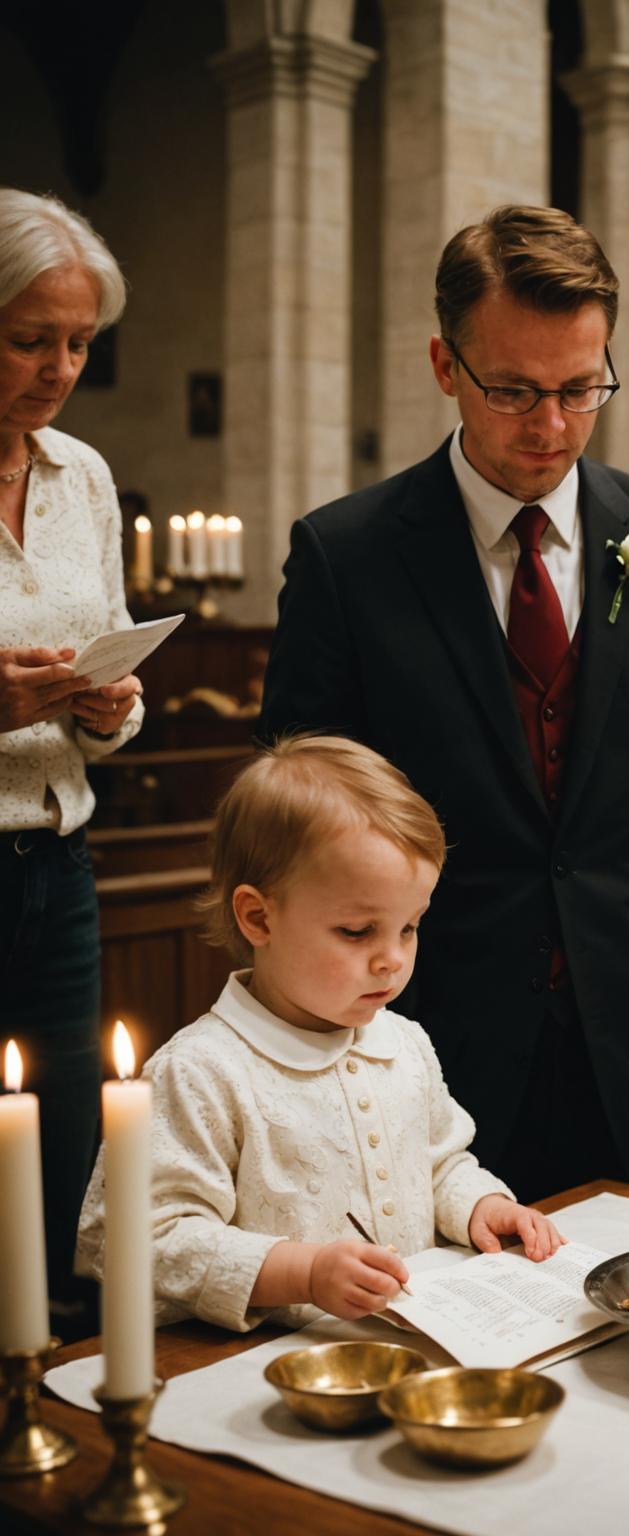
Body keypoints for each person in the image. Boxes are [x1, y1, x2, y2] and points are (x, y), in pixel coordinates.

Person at [261, 205, 629, 1204]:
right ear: (446, 367)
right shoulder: (348, 557)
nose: (551, 428)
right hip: (417, 1050)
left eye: (582, 389)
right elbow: (294, 829)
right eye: (514, 391)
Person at [76, 737, 566, 1332]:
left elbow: (438, 1165)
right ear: (259, 917)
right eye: (358, 931)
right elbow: (144, 1240)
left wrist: (482, 1207)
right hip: (257, 1373)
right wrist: (300, 1273)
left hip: (414, 1346)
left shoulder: (404, 1045)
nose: (392, 959)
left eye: (409, 927)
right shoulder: (200, 1073)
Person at [0, 189, 144, 1323]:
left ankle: (63, 1383)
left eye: (79, 344)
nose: (57, 368)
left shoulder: (82, 477)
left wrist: (107, 707)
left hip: (59, 863)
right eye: (28, 339)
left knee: (68, 1131)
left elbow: (114, 683)